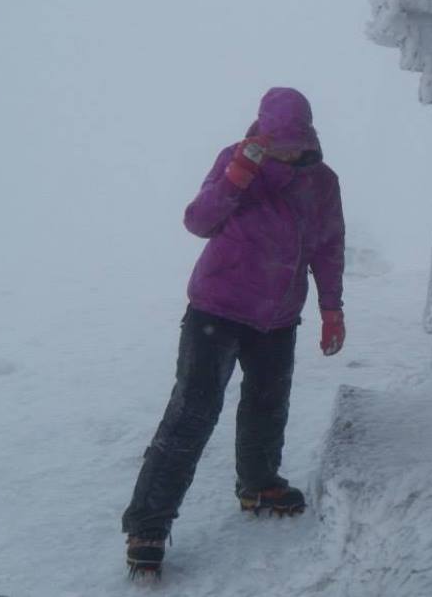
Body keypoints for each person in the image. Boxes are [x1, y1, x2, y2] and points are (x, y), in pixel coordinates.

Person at [122, 87, 346, 578]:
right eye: (277, 140)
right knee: (192, 414)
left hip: (278, 317)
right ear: (261, 131)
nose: (287, 150)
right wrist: (236, 178)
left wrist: (332, 307)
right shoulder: (236, 160)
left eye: (294, 141)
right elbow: (198, 222)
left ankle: (259, 484)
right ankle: (148, 526)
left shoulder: (322, 182)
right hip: (218, 310)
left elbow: (329, 247)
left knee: (268, 404)